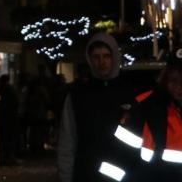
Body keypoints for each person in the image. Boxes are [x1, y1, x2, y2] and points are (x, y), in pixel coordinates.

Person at [58, 33, 134, 182]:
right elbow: (68, 140)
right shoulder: (78, 96)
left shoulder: (130, 93)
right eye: (96, 57)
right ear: (90, 59)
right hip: (88, 174)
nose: (102, 62)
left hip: (125, 173)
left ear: (114, 57)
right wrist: (66, 176)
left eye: (106, 56)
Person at [99, 47, 182, 181]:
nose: (179, 87)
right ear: (166, 78)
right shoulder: (145, 107)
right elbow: (118, 159)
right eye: (174, 80)